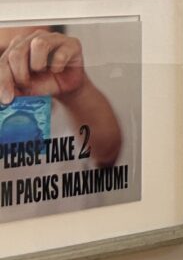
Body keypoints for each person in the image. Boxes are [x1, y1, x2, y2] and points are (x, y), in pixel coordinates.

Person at [0, 25, 123, 168]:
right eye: (1, 56)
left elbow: (107, 154)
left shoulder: (65, 122)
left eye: (29, 57)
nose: (15, 67)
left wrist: (77, 93)